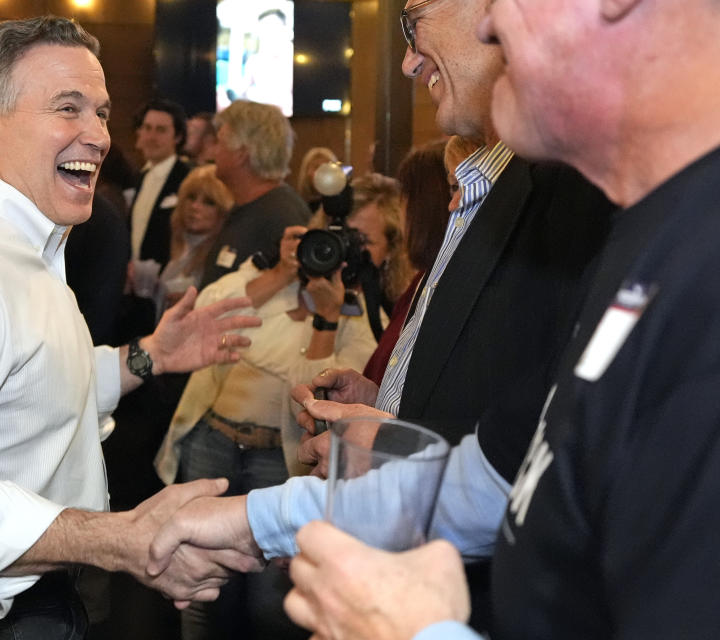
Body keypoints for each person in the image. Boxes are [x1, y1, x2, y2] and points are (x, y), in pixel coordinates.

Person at [148, 0, 613, 630]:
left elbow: (550, 453)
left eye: (414, 18)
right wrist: (389, 405)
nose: (407, 59)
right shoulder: (498, 180)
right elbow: (513, 433)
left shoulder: (583, 191)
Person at [283, 0, 720, 638]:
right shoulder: (651, 227)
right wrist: (253, 519)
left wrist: (411, 631)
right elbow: (507, 464)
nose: (491, 23)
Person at [0, 16, 263, 639]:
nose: (98, 135)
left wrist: (147, 356)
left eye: (100, 112)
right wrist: (113, 539)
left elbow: (28, 387)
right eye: (68, 108)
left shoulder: (25, 244)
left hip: (32, 600)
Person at [156, 175, 393, 640]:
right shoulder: (269, 276)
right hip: (213, 443)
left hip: (280, 463)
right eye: (324, 234)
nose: (330, 249)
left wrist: (327, 317)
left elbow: (318, 396)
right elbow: (206, 312)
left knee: (272, 606)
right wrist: (282, 273)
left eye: (356, 241)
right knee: (201, 592)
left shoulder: (363, 314)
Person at [363, 138, 475, 385]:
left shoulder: (449, 287)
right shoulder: (423, 280)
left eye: (405, 197)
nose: (400, 208)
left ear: (424, 207)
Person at [199, 100, 311, 288]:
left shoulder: (282, 217)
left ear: (241, 154)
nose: (213, 152)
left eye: (219, 142)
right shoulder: (248, 205)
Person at [123, 98, 193, 339]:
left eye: (161, 130)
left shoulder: (187, 178)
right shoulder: (141, 177)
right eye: (147, 128)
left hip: (171, 290)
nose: (152, 136)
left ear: (178, 137)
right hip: (140, 290)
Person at [154, 165, 233, 320]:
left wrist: (198, 303)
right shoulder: (168, 240)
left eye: (209, 202)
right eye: (191, 197)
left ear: (223, 211)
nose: (195, 206)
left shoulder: (222, 256)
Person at [295, 147, 337, 213]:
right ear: (307, 172)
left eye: (326, 167)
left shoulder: (340, 206)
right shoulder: (297, 206)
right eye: (317, 167)